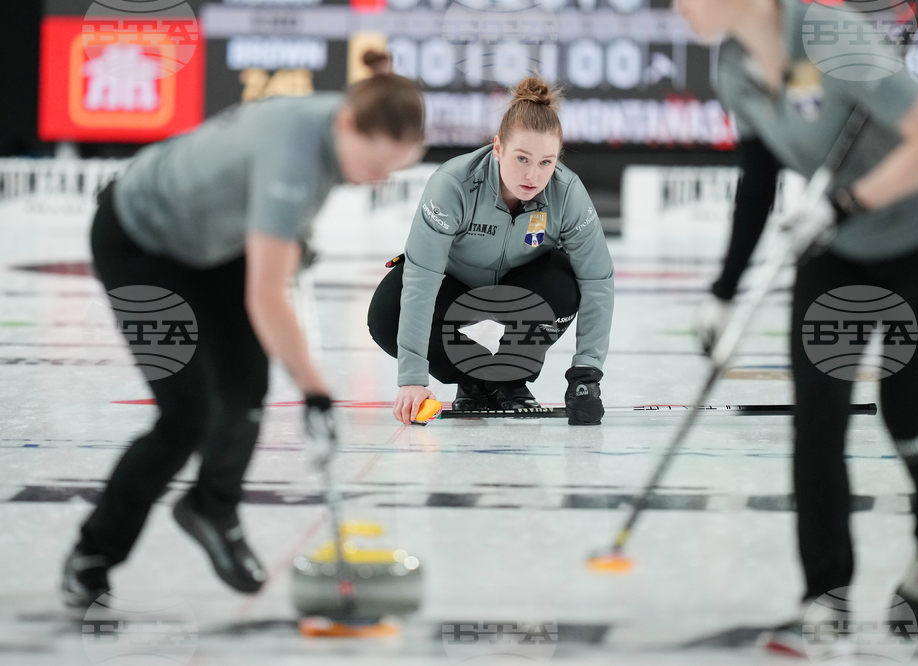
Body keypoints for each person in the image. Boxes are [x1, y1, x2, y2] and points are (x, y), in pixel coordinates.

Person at [61, 52, 425, 607]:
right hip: (140, 242)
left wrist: (294, 238)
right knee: (186, 417)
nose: (380, 178)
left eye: (393, 169)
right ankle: (93, 553)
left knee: (246, 392)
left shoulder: (346, 120)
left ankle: (212, 507)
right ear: (347, 123)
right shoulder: (295, 154)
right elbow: (266, 295)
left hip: (213, 245)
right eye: (376, 164)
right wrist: (315, 391)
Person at [679, 0, 918, 650]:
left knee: (910, 419)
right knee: (816, 424)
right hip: (838, 255)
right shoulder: (732, 66)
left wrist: (846, 202)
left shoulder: (830, 36)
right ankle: (825, 592)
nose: (678, 7)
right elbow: (759, 174)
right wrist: (724, 293)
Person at [368, 77, 615, 425]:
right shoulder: (453, 185)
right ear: (497, 147)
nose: (533, 175)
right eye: (522, 158)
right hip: (452, 294)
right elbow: (422, 280)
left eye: (546, 162)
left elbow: (597, 281)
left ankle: (508, 378)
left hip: (520, 294)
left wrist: (586, 374)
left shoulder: (567, 192)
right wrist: (412, 379)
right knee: (385, 315)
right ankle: (471, 379)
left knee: (564, 281)